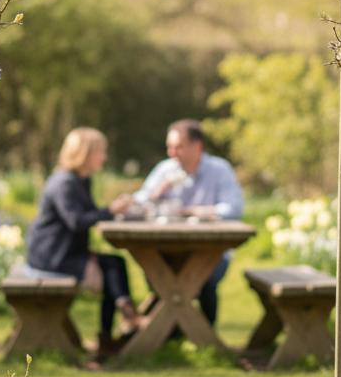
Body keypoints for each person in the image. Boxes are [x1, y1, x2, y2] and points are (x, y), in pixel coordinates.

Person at [26, 127, 140, 359]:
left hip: (69, 253)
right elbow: (76, 221)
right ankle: (120, 324)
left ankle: (114, 331)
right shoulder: (64, 183)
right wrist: (111, 210)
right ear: (84, 153)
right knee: (112, 269)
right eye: (100, 151)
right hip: (52, 257)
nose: (104, 157)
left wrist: (115, 211)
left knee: (116, 263)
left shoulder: (81, 180)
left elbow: (89, 214)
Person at [135, 119, 244, 324]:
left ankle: (205, 335)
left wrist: (197, 212)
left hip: (211, 249)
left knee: (205, 280)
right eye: (169, 147)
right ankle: (168, 330)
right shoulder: (165, 170)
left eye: (178, 147)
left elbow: (234, 209)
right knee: (156, 273)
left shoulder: (220, 170)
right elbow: (138, 202)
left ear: (197, 146)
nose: (171, 153)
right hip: (167, 249)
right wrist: (158, 192)